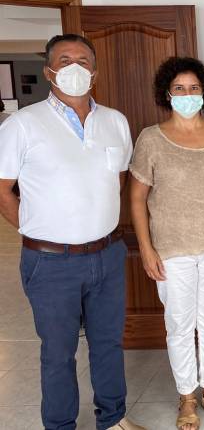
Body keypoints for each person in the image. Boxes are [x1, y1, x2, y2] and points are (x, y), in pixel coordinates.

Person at [0, 34, 144, 430]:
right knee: (59, 352)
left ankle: (113, 419)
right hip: (50, 262)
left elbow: (116, 180)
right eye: (65, 60)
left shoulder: (114, 121)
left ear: (94, 72)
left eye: (83, 61)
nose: (75, 67)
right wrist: (36, 229)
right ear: (49, 71)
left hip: (107, 254)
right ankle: (60, 425)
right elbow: (2, 190)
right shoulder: (23, 124)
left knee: (108, 343)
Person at [129, 57, 204, 429]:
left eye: (194, 88)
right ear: (167, 93)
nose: (187, 94)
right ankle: (186, 396)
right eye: (179, 88)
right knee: (180, 326)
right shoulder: (151, 139)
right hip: (171, 250)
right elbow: (136, 197)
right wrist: (146, 248)